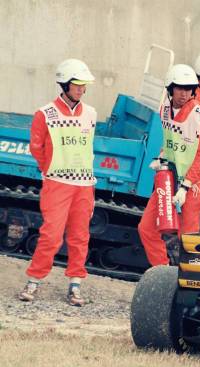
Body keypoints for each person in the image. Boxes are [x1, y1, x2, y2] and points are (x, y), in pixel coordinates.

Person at [18, 59, 97, 306]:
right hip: (57, 184)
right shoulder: (45, 114)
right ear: (64, 84)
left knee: (80, 236)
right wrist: (50, 169)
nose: (82, 89)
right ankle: (34, 280)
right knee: (51, 235)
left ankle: (75, 285)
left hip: (84, 185)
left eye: (84, 85)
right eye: (77, 84)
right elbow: (36, 147)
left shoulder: (91, 113)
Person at [137, 64, 200, 266]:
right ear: (170, 88)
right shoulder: (164, 109)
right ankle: (162, 273)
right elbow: (170, 141)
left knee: (188, 241)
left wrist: (186, 185)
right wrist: (161, 157)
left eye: (188, 89)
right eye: (179, 88)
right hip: (168, 180)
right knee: (146, 228)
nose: (184, 93)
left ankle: (191, 287)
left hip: (192, 186)